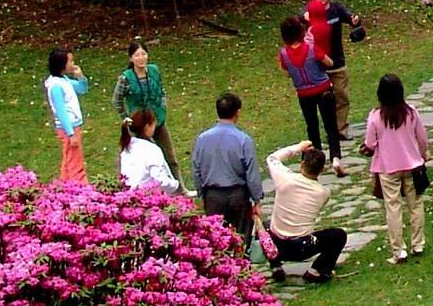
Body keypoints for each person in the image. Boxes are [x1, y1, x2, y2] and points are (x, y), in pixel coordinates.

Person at [360, 72, 431, 264]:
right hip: (412, 165)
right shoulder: (411, 112)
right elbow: (422, 138)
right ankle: (418, 243)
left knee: (393, 208)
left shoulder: (375, 116)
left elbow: (370, 143)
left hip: (387, 167)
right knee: (415, 205)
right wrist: (424, 154)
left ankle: (399, 250)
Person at [262, 140, 348, 283]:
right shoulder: (323, 193)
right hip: (302, 247)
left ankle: (276, 265)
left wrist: (298, 148)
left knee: (264, 225)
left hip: (276, 243)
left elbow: (272, 158)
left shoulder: (285, 177)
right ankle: (317, 270)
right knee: (338, 235)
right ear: (321, 170)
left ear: (302, 164)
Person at [190, 92, 262, 243]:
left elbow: (196, 169)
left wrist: (201, 195)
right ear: (238, 113)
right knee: (241, 240)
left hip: (213, 196)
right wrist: (256, 200)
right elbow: (252, 173)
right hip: (238, 196)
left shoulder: (202, 139)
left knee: (216, 242)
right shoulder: (243, 140)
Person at [277, 16, 346, 169]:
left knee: (312, 127)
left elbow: (286, 72)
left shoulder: (284, 54)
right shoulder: (311, 48)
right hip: (323, 89)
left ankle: (316, 161)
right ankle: (335, 158)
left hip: (303, 94)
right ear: (300, 31)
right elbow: (329, 62)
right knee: (330, 125)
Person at [301, 0, 364, 134]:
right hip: (317, 65)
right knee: (323, 101)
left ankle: (341, 129)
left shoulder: (336, 8)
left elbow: (350, 17)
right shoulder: (307, 13)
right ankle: (329, 130)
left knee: (342, 96)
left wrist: (355, 20)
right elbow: (297, 26)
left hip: (337, 61)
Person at [113, 40, 179, 188]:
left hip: (157, 119)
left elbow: (161, 91)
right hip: (138, 122)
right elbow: (116, 100)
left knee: (170, 156)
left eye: (143, 54)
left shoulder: (154, 71)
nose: (141, 58)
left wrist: (162, 107)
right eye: (137, 55)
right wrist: (126, 117)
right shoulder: (125, 78)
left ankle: (179, 187)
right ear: (131, 58)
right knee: (138, 158)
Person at [44, 48, 90, 184]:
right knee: (75, 159)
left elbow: (82, 88)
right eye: (70, 61)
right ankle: (80, 185)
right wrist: (70, 134)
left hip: (73, 126)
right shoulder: (56, 86)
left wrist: (80, 77)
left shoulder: (64, 80)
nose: (73, 63)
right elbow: (61, 111)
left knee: (69, 157)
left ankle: (64, 185)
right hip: (68, 128)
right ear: (61, 64)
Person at [120, 110, 180, 192]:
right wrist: (174, 184)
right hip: (147, 195)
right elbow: (159, 179)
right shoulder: (152, 150)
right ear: (147, 126)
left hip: (128, 194)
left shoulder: (127, 147)